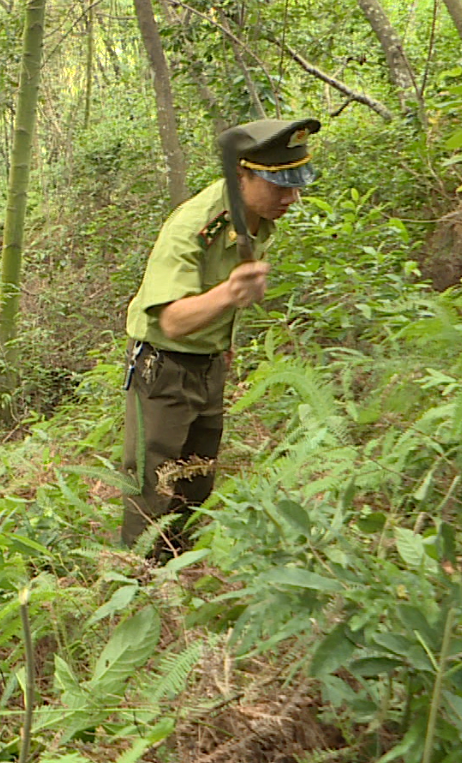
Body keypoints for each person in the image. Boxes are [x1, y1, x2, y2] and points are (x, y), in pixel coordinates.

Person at [121, 118, 321, 557]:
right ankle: (138, 582)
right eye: (279, 185)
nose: (292, 197)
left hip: (208, 363)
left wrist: (223, 340)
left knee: (197, 477)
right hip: (164, 368)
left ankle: (178, 563)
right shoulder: (191, 227)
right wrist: (231, 294)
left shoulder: (258, 214)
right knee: (152, 482)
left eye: (296, 183)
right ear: (241, 176)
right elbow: (171, 321)